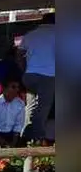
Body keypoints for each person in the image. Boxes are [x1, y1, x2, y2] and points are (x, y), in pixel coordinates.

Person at [20, 13, 55, 142]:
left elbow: (19, 54)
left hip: (29, 76)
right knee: (43, 107)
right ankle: (37, 138)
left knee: (31, 105)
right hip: (48, 76)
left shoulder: (30, 35)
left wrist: (24, 70)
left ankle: (24, 133)